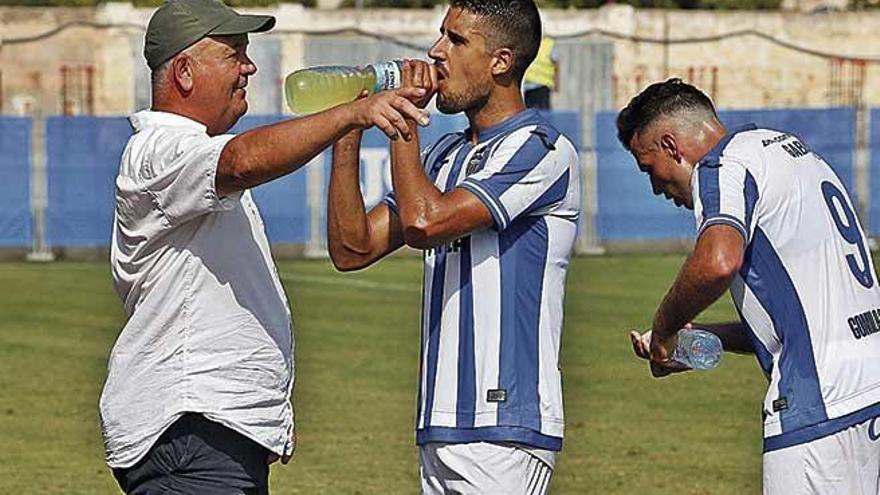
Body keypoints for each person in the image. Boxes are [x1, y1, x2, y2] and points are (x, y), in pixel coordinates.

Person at [100, 0, 429, 493]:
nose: (249, 67)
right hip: (191, 429)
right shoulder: (160, 150)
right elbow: (241, 161)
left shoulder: (188, 156)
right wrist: (349, 112)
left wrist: (353, 123)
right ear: (185, 72)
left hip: (207, 434)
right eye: (234, 54)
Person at [326, 0, 580, 493]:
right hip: (439, 422)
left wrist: (403, 117)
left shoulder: (540, 148)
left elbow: (425, 223)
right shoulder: (447, 154)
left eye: (456, 40)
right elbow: (352, 248)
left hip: (502, 424)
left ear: (501, 61)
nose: (436, 51)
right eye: (441, 35)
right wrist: (348, 126)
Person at [619, 78, 880, 494]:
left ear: (671, 146)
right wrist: (702, 338)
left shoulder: (721, 166)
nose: (655, 187)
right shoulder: (794, 154)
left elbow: (718, 263)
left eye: (649, 168)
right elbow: (801, 316)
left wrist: (664, 331)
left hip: (820, 406)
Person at [523, 37, 558, 110]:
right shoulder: (527, 42)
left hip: (542, 86)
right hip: (528, 86)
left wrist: (556, 82)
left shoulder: (549, 44)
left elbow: (556, 65)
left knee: (542, 113)